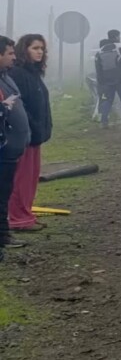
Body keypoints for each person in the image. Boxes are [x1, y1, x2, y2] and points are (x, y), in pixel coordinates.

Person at [7, 35, 52, 233]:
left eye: (42, 48)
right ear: (24, 50)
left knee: (31, 177)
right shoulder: (18, 73)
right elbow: (19, 106)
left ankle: (26, 214)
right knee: (21, 179)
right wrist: (32, 128)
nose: (39, 52)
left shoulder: (34, 73)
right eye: (35, 48)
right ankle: (18, 218)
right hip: (24, 136)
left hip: (36, 136)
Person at [0, 36, 30, 253]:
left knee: (5, 193)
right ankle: (2, 237)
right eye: (9, 53)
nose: (14, 56)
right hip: (3, 149)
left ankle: (3, 234)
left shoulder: (6, 77)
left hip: (12, 150)